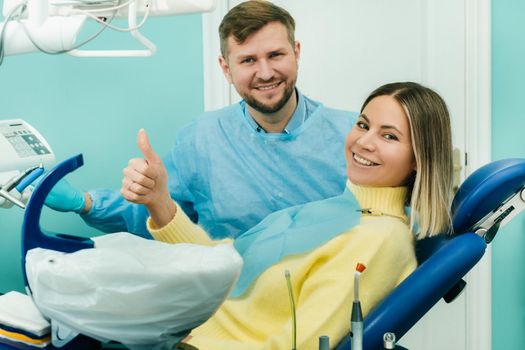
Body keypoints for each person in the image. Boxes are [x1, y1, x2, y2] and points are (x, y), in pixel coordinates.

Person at [121, 82, 454, 349]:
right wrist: (159, 201)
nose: (364, 142)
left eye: (389, 136)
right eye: (363, 125)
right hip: (184, 326)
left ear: (418, 159)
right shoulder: (340, 210)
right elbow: (227, 266)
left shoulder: (378, 239)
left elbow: (300, 343)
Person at [44, 0, 357, 239]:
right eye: (248, 60)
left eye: (275, 55)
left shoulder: (353, 136)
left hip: (329, 311)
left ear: (296, 52)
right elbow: (157, 213)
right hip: (233, 309)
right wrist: (84, 202)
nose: (265, 72)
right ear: (225, 68)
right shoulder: (201, 140)